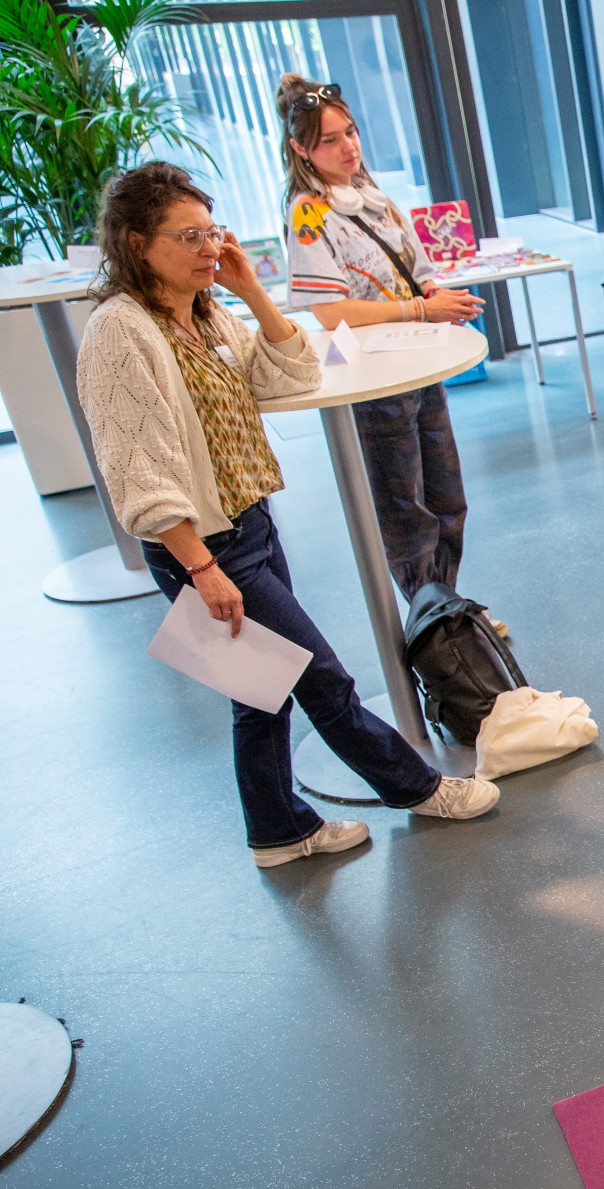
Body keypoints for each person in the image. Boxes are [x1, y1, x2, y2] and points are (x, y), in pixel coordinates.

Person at [76, 163, 500, 868]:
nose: (210, 247)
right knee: (319, 675)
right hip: (201, 546)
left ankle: (277, 830)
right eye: (189, 236)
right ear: (136, 243)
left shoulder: (206, 312)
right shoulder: (119, 334)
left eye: (212, 231)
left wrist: (247, 290)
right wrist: (202, 569)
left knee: (260, 689)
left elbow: (294, 372)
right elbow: (138, 473)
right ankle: (417, 787)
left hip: (248, 522)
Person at [274, 76, 496, 617]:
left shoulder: (376, 201)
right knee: (405, 511)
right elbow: (331, 312)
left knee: (447, 499)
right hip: (370, 377)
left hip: (420, 365)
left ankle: (450, 608)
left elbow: (419, 273)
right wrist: (423, 309)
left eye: (350, 133)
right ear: (301, 149)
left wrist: (438, 298)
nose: (348, 147)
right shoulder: (308, 213)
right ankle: (434, 621)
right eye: (330, 140)